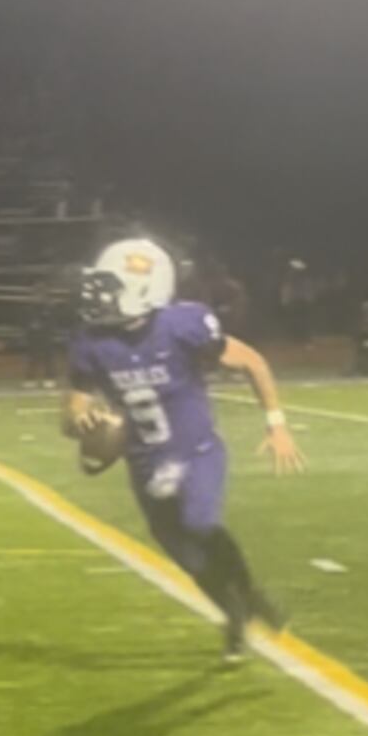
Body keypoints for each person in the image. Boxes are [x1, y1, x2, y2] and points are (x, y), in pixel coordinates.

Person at [64, 237, 305, 662]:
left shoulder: (182, 325)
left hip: (196, 449)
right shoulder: (92, 342)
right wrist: (83, 421)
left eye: (109, 288)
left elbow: (252, 362)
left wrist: (277, 424)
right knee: (190, 559)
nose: (98, 298)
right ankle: (234, 616)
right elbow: (73, 409)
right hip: (143, 463)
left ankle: (251, 595)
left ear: (144, 290)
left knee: (199, 521)